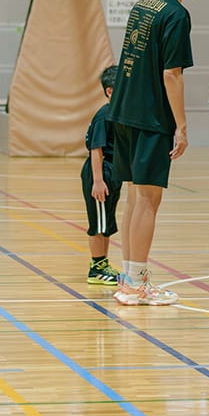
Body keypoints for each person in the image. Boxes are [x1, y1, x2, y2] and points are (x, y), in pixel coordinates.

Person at [108, 0, 203, 307]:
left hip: (124, 112)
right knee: (148, 201)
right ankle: (135, 284)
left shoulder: (143, 3)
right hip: (150, 118)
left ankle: (129, 278)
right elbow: (172, 74)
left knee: (135, 198)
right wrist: (181, 125)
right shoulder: (176, 14)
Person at [81, 66, 122, 287]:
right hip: (101, 172)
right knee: (98, 222)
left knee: (107, 220)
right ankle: (96, 267)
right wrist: (97, 180)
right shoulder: (104, 115)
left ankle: (103, 264)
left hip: (112, 173)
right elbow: (96, 149)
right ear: (109, 91)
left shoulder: (118, 113)